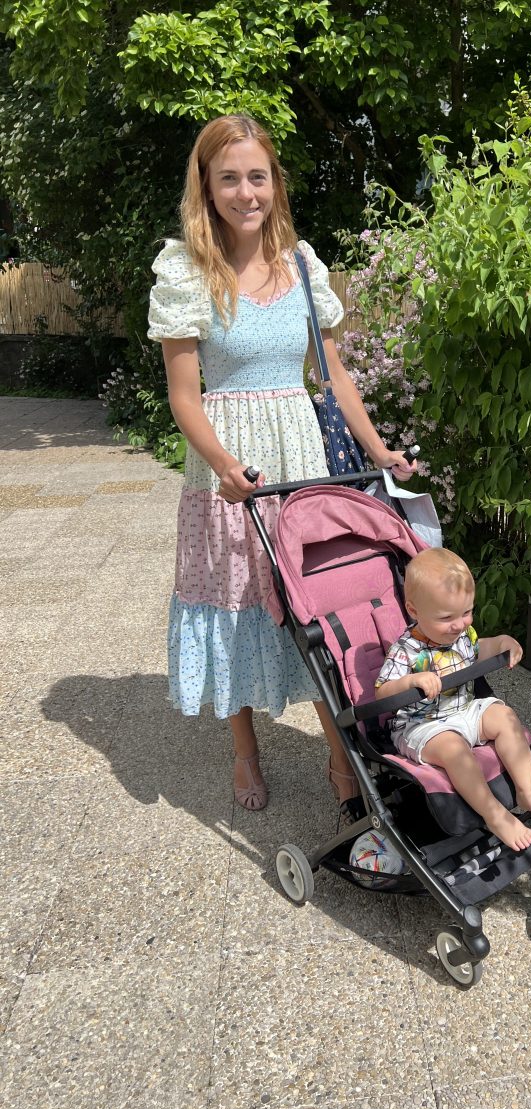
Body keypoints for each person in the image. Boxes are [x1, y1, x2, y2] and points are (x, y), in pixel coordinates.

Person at [148, 114, 415, 813]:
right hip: (229, 468)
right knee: (236, 604)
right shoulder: (185, 271)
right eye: (229, 177)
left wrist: (380, 449)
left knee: (317, 605)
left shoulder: (302, 264)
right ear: (206, 185)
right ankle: (244, 752)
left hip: (302, 459)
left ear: (275, 182)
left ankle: (339, 751)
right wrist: (224, 464)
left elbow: (335, 376)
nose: (245, 192)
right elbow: (185, 397)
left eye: (256, 176)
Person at [374, 548, 531, 851]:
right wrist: (411, 681)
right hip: (422, 726)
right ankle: (494, 814)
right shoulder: (406, 650)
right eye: (447, 617)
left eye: (466, 613)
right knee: (453, 748)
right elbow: (382, 692)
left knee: (505, 716)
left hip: (464, 710)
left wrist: (502, 642)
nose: (460, 624)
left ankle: (527, 790)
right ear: (414, 610)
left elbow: (480, 648)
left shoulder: (461, 634)